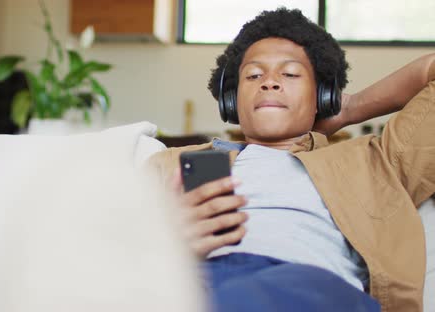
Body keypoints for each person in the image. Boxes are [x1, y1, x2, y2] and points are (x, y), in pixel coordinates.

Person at [149, 8, 435, 312]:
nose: (269, 83)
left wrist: (349, 109)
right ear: (231, 100)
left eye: (290, 74)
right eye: (254, 75)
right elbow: (108, 247)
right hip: (194, 281)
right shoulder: (180, 163)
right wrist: (165, 244)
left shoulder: (371, 162)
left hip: (311, 286)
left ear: (321, 96)